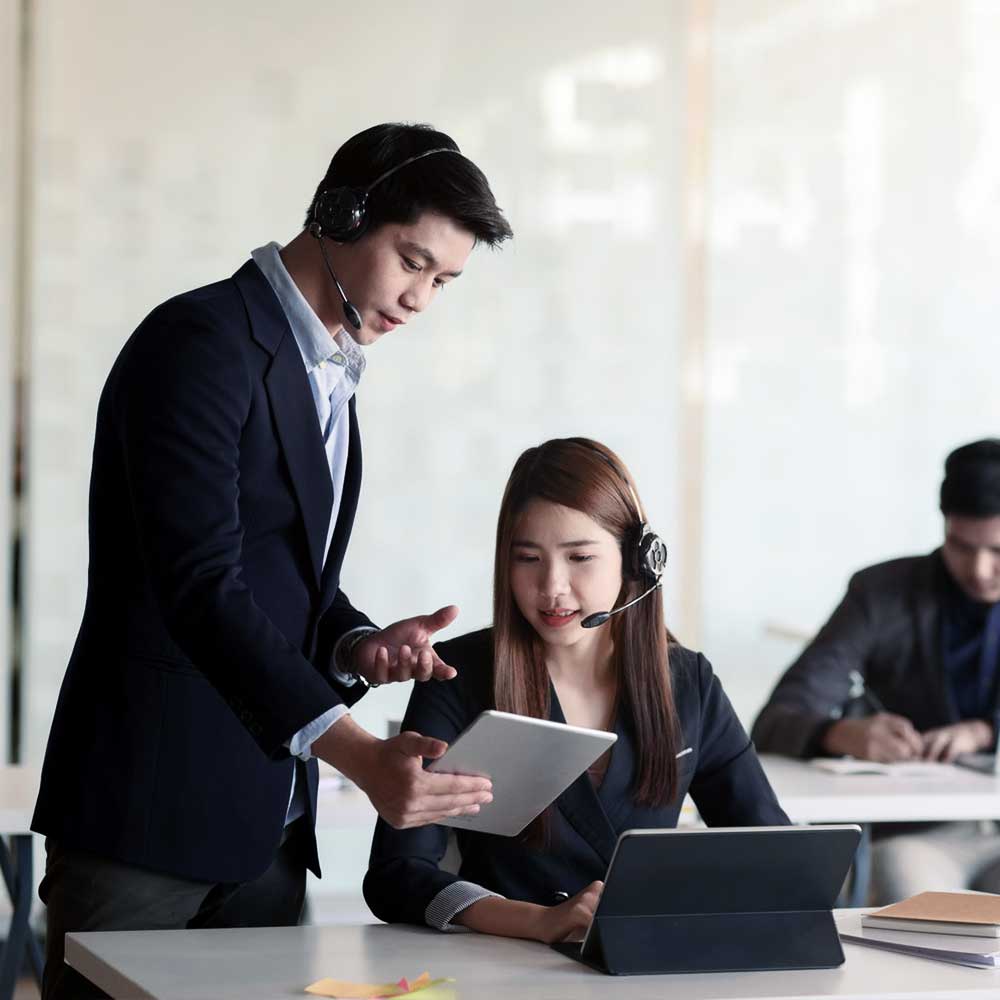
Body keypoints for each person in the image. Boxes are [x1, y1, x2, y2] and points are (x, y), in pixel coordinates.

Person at [31, 122, 512, 999]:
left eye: (443, 281)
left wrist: (357, 645)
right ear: (340, 212)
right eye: (412, 262)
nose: (419, 301)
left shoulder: (328, 368)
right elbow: (201, 586)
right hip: (149, 817)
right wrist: (363, 756)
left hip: (262, 824)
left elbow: (280, 575)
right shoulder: (201, 343)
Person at [364, 438, 788, 943]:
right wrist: (535, 922)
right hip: (501, 963)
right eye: (528, 559)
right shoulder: (459, 674)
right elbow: (397, 874)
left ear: (638, 562)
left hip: (647, 961)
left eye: (580, 557)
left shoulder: (688, 681)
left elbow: (774, 852)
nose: (552, 587)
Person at [752, 439, 1000, 903]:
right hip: (921, 835)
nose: (980, 570)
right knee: (910, 896)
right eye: (961, 547)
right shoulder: (882, 593)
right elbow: (777, 717)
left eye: (998, 551)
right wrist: (839, 734)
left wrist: (984, 732)